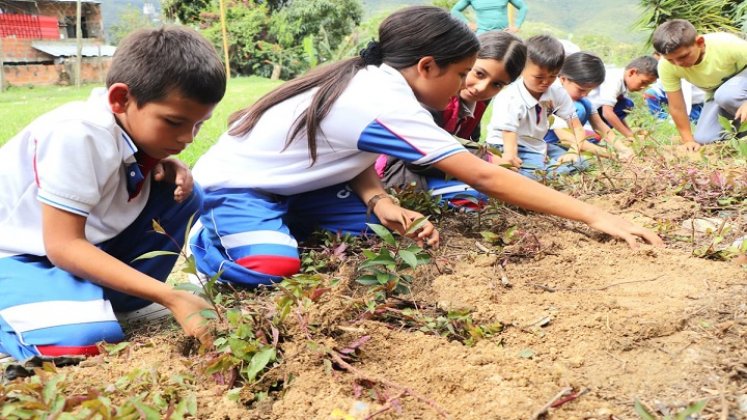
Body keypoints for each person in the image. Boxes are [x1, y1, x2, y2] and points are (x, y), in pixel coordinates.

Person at [189, 6, 662, 289]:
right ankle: (210, 242)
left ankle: (282, 224)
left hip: (295, 188)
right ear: (427, 66)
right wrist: (598, 216)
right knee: (273, 266)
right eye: (462, 75)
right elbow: (483, 176)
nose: (463, 86)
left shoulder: (378, 84)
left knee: (384, 235)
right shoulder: (382, 99)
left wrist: (378, 198)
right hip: (237, 188)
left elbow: (345, 153)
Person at [0, 26, 226, 362]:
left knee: (186, 195)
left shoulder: (125, 126)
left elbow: (124, 156)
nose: (189, 138)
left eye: (199, 124)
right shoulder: (77, 134)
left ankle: (98, 300)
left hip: (73, 248)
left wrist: (157, 158)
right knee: (82, 342)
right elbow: (63, 245)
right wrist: (171, 296)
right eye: (174, 122)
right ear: (121, 99)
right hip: (20, 256)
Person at [378, 31, 527, 210]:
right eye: (479, 74)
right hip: (398, 172)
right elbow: (419, 158)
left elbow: (472, 138)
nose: (481, 88)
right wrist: (485, 161)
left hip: (437, 170)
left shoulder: (478, 101)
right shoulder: (436, 97)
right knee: (484, 195)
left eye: (496, 84)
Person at [485, 35, 594, 180]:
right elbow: (508, 132)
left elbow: (577, 127)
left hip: (536, 146)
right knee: (534, 175)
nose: (546, 82)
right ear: (522, 69)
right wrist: (510, 159)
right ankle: (540, 172)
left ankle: (545, 170)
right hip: (505, 145)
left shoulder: (556, 93)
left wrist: (573, 151)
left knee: (583, 162)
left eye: (552, 76)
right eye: (538, 77)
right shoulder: (511, 97)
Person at [652, 19, 747, 151]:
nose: (678, 64)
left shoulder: (726, 44)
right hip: (718, 91)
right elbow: (677, 106)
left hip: (741, 80)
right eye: (671, 60)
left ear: (700, 43)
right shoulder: (665, 66)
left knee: (727, 95)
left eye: (683, 56)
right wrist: (688, 140)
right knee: (705, 138)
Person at [545, 52, 634, 160]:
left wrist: (623, 149)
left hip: (572, 143)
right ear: (563, 79)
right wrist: (612, 155)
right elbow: (567, 138)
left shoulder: (583, 100)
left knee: (585, 105)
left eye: (589, 90)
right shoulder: (553, 97)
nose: (585, 94)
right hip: (547, 142)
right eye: (581, 90)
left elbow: (600, 126)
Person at [586, 56, 659, 140]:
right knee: (626, 104)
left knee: (626, 104)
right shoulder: (614, 79)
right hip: (585, 111)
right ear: (632, 72)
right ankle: (593, 134)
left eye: (647, 85)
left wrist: (630, 133)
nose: (643, 87)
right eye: (643, 82)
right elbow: (607, 113)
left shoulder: (624, 83)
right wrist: (629, 135)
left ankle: (601, 133)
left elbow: (617, 115)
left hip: (596, 111)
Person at [643, 52, 704, 123]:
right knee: (650, 93)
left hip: (693, 104)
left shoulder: (678, 65)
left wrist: (677, 119)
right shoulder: (663, 66)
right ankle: (661, 119)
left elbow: (685, 96)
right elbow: (660, 85)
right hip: (672, 96)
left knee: (691, 122)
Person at [451, 0, 528, 34]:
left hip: (503, 33)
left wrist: (517, 26)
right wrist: (467, 24)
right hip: (481, 34)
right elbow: (455, 10)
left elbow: (523, 7)